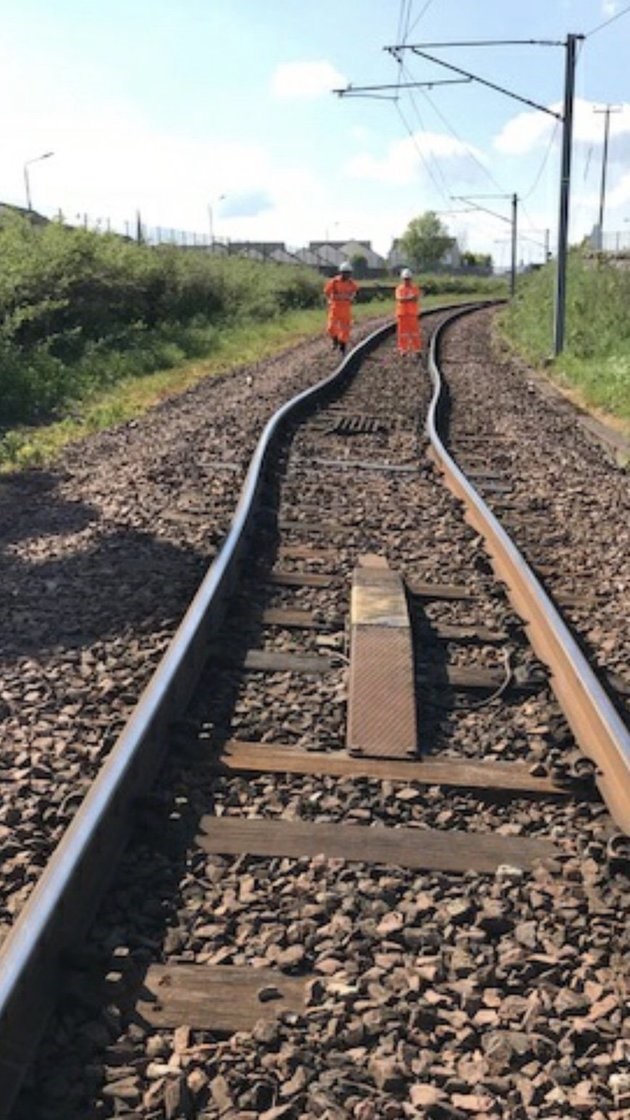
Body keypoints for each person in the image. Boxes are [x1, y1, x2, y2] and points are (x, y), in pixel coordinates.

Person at [324, 261, 358, 355]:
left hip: (346, 309)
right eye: (345, 272)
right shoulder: (334, 282)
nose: (347, 275)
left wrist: (352, 297)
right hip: (335, 308)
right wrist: (329, 299)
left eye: (349, 273)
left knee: (345, 329)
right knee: (330, 327)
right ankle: (335, 340)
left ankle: (342, 347)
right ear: (341, 272)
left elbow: (355, 290)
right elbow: (326, 291)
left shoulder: (351, 283)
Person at [395, 268, 422, 356]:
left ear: (411, 279)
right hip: (402, 314)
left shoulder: (415, 288)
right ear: (402, 279)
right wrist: (410, 298)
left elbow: (416, 298)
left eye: (408, 279)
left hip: (412, 314)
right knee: (402, 333)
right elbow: (400, 299)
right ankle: (403, 350)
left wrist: (406, 299)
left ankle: (417, 349)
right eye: (405, 279)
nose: (407, 281)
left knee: (415, 333)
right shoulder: (399, 288)